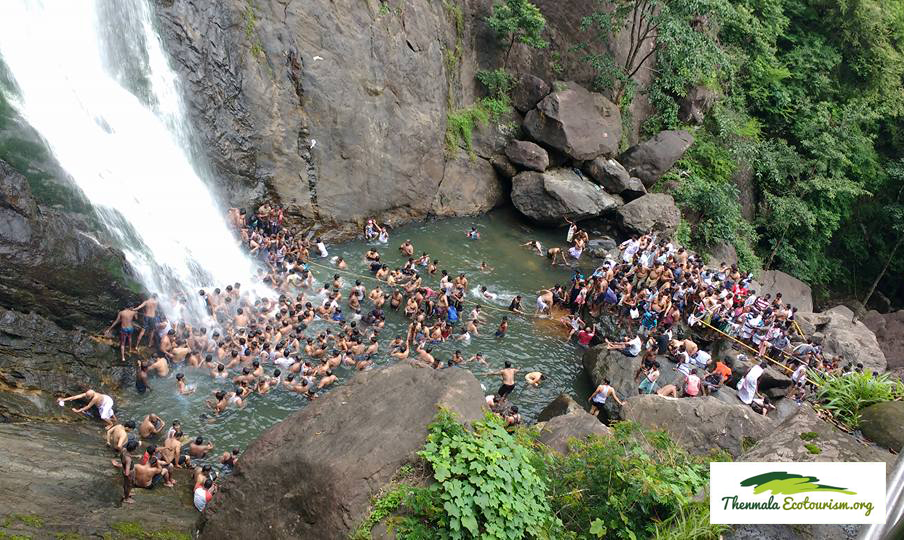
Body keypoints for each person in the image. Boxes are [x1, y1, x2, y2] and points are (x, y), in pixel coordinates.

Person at [118, 439, 139, 504]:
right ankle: (126, 499)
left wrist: (135, 456)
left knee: (126, 484)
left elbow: (127, 455)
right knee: (128, 485)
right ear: (134, 449)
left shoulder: (124, 450)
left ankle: (127, 493)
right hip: (129, 473)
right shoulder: (128, 460)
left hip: (124, 469)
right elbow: (127, 473)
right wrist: (129, 477)